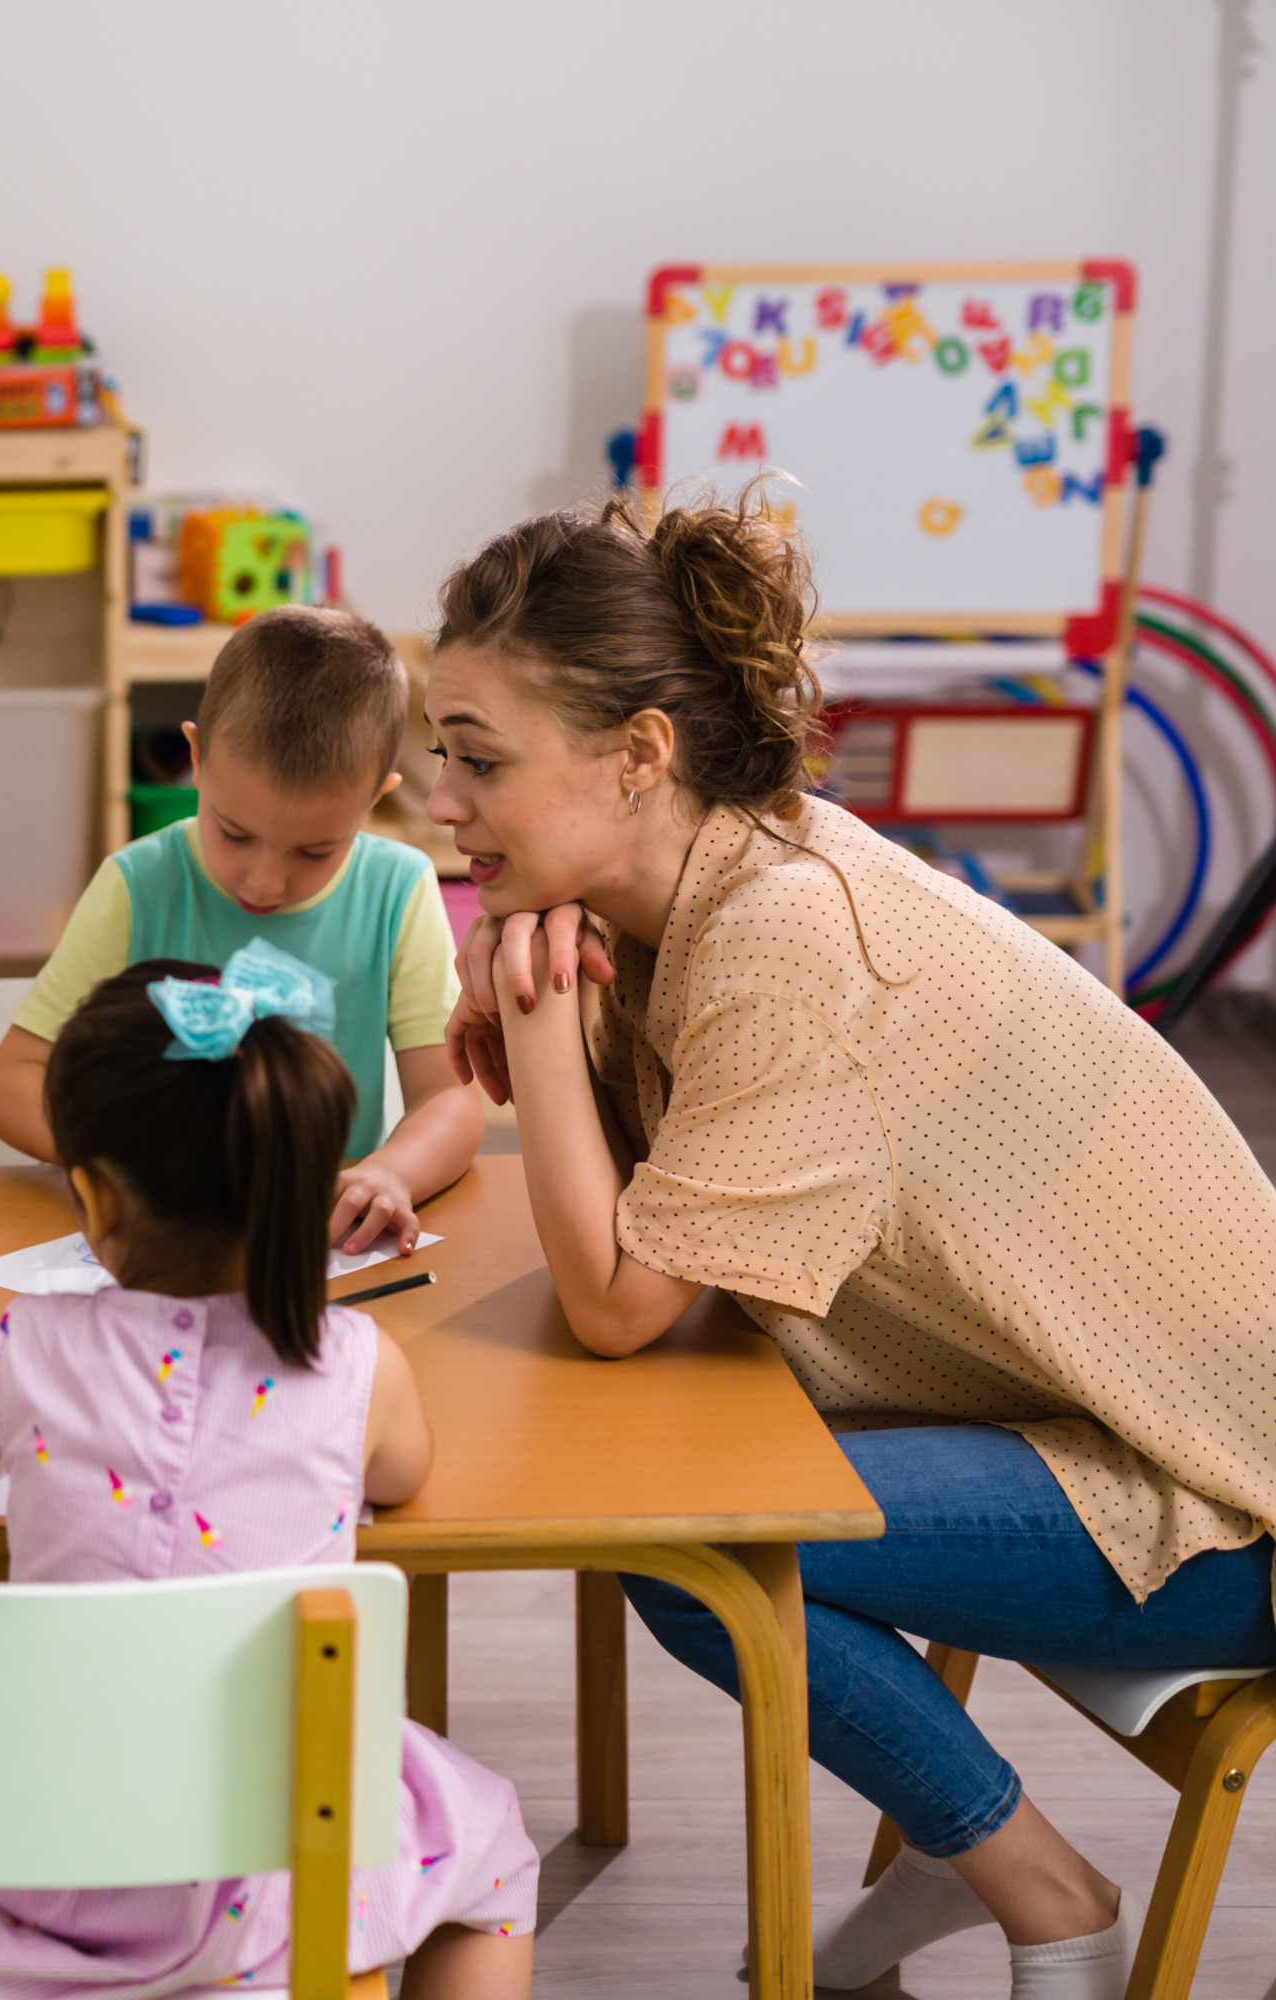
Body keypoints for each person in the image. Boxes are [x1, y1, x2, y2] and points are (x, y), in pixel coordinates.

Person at [428, 489, 1276, 2000]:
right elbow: (662, 1243)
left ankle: (1044, 1893)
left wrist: (548, 1043)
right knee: (681, 1501)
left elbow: (623, 1304)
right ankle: (976, 1861)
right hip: (1069, 1422)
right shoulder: (714, 883)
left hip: (1214, 1501)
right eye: (445, 755)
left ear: (639, 757)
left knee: (695, 1546)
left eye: (478, 759)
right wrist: (562, 1012)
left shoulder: (783, 940)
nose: (441, 800)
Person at [0, 955, 536, 1999]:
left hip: (34, 1858)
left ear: (94, 1196)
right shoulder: (358, 1362)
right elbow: (404, 1476)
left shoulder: (26, 1342)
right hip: (269, 1878)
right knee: (492, 1854)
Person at [0, 606, 481, 1257]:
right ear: (195, 758)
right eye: (234, 833)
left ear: (376, 797)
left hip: (321, 1253)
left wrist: (390, 1172)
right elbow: (12, 1083)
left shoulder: (397, 888)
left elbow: (450, 1103)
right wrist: (136, 1163)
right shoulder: (138, 883)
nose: (264, 883)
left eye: (315, 851)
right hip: (161, 1245)